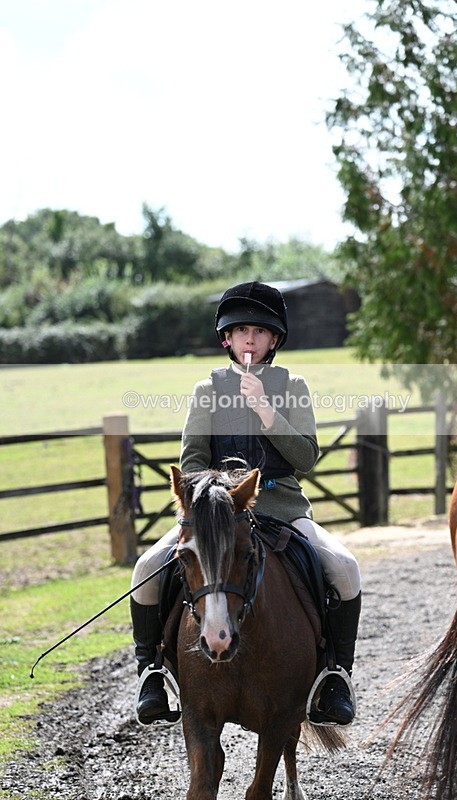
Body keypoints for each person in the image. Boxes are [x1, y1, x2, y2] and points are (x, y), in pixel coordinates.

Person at [130, 281, 362, 726]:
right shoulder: (207, 389)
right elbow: (193, 461)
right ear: (227, 340)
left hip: (283, 507)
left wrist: (267, 412)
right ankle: (152, 672)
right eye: (241, 332)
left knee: (345, 569)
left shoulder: (293, 385)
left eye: (259, 331)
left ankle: (335, 676)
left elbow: (306, 459)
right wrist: (216, 494)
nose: (249, 339)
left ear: (274, 340)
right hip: (219, 513)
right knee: (146, 569)